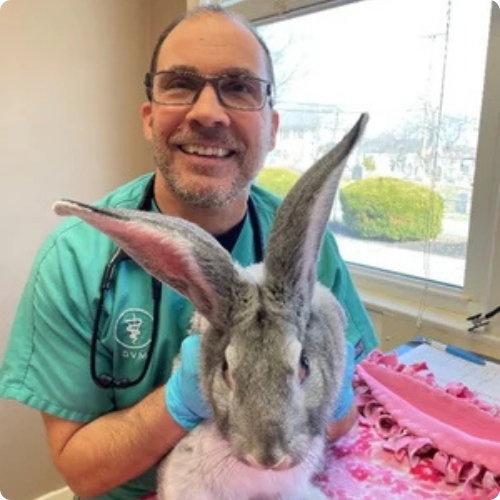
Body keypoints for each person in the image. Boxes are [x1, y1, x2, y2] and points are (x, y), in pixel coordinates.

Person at [0, 5, 378, 500]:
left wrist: (318, 375)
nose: (208, 113)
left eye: (239, 87)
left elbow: (347, 415)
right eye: (180, 85)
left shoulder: (309, 244)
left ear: (272, 127)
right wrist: (182, 398)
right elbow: (82, 473)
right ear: (148, 118)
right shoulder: (73, 258)